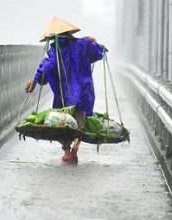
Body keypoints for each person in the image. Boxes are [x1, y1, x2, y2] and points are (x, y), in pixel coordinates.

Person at [24, 17, 103, 163]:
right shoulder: (83, 44)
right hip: (84, 91)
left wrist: (35, 80)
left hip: (64, 93)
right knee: (80, 121)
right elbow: (99, 53)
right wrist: (93, 41)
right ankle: (76, 148)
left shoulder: (55, 49)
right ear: (69, 33)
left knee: (63, 123)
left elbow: (47, 66)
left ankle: (67, 150)